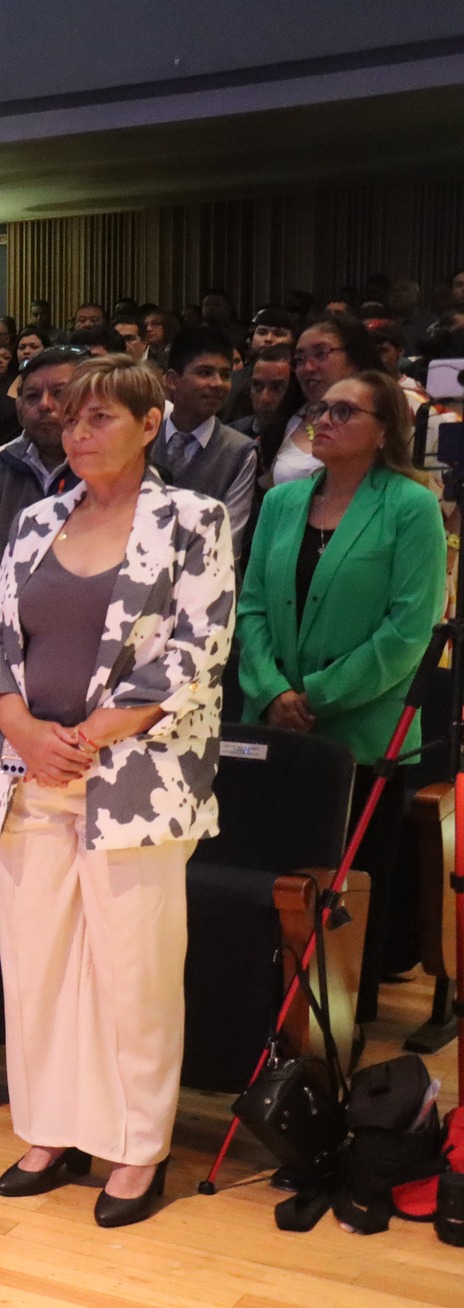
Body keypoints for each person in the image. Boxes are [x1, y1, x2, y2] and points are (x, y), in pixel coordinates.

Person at [0, 354, 235, 1229]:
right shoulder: (39, 516)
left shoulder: (192, 517)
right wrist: (24, 731)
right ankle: (50, 1129)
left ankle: (134, 1144)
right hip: (29, 773)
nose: (76, 433)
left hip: (134, 778)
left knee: (134, 972)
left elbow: (195, 651)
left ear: (149, 423)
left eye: (98, 419)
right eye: (66, 418)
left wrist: (89, 734)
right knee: (37, 967)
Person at [236, 370, 446, 1021]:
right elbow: (249, 609)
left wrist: (316, 694)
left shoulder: (411, 508)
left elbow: (408, 631)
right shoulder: (282, 503)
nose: (322, 419)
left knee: (350, 890)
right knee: (271, 877)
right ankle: (262, 1015)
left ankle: (341, 1028)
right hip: (274, 726)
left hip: (360, 732)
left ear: (386, 431)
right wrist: (273, 690)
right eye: (322, 409)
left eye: (345, 412)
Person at [0, 347, 82, 595]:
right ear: (19, 409)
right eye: (32, 396)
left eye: (59, 394)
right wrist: (11, 608)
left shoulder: (114, 470)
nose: (44, 405)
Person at [151, 327, 260, 548]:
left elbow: (229, 539)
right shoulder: (144, 437)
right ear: (172, 379)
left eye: (226, 375)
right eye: (204, 373)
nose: (218, 384)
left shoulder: (239, 451)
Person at [261, 317, 382, 487]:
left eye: (320, 354)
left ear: (355, 359)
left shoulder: (382, 417)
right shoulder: (286, 424)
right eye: (300, 359)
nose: (308, 367)